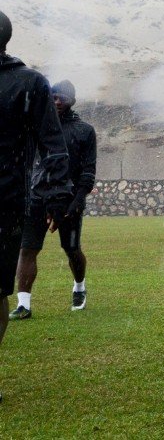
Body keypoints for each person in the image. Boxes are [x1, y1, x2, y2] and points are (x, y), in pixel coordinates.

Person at [0, 10, 71, 404]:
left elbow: (53, 145)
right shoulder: (29, 84)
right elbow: (52, 145)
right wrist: (57, 195)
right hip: (8, 199)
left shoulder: (30, 84)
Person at [9, 80, 95, 319]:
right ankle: (24, 304)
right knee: (27, 249)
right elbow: (26, 164)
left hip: (68, 200)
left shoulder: (84, 131)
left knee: (72, 249)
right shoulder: (34, 127)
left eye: (61, 98)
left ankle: (79, 286)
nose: (56, 101)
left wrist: (77, 201)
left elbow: (88, 172)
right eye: (53, 97)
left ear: (72, 101)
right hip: (35, 198)